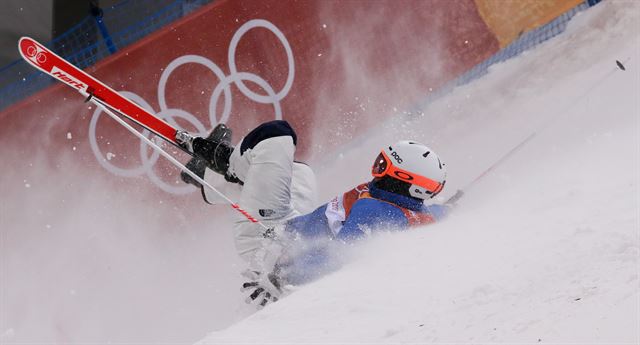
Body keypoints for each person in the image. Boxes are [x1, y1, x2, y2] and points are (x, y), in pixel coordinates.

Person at [177, 120, 449, 307]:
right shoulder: (410, 206)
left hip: (269, 239)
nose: (375, 171)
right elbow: (433, 211)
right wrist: (450, 207)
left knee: (277, 134)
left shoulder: (373, 211)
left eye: (382, 167)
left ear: (400, 179)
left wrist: (279, 277)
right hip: (294, 222)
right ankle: (205, 177)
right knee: (298, 173)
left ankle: (227, 164)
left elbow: (338, 254)